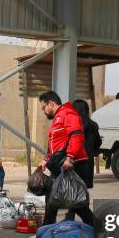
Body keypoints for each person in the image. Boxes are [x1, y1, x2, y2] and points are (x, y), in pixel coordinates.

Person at [37, 91, 94, 226]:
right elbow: (58, 144)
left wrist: (70, 158)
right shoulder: (60, 116)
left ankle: (99, 228)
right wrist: (47, 159)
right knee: (53, 198)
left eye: (44, 108)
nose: (43, 112)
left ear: (51, 103)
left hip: (72, 165)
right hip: (60, 164)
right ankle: (47, 229)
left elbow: (76, 135)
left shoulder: (68, 114)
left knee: (75, 203)